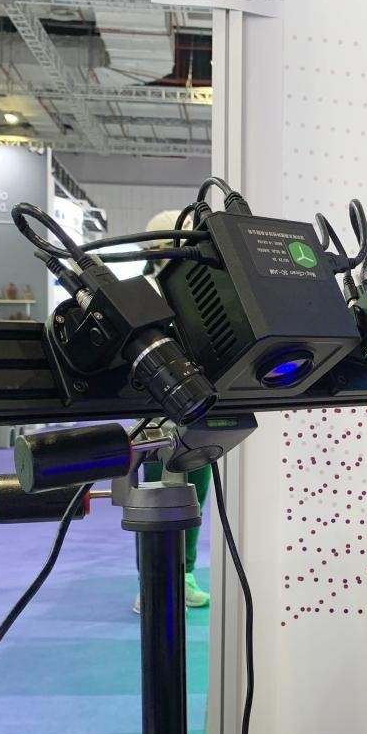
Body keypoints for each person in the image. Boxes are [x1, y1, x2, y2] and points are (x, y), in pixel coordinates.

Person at [132, 209, 211, 613]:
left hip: (199, 414)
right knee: (152, 501)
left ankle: (186, 572)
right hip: (154, 419)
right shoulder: (141, 292)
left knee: (194, 496)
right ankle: (149, 583)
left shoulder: (202, 289)